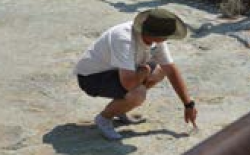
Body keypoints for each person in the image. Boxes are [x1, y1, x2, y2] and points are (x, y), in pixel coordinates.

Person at [75, 8, 197, 140]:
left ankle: (120, 108)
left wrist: (188, 104)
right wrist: (143, 73)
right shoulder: (124, 38)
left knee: (159, 72)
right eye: (165, 35)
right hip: (91, 78)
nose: (167, 38)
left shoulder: (156, 38)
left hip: (119, 71)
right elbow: (128, 83)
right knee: (137, 94)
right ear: (155, 34)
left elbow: (170, 70)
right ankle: (104, 118)